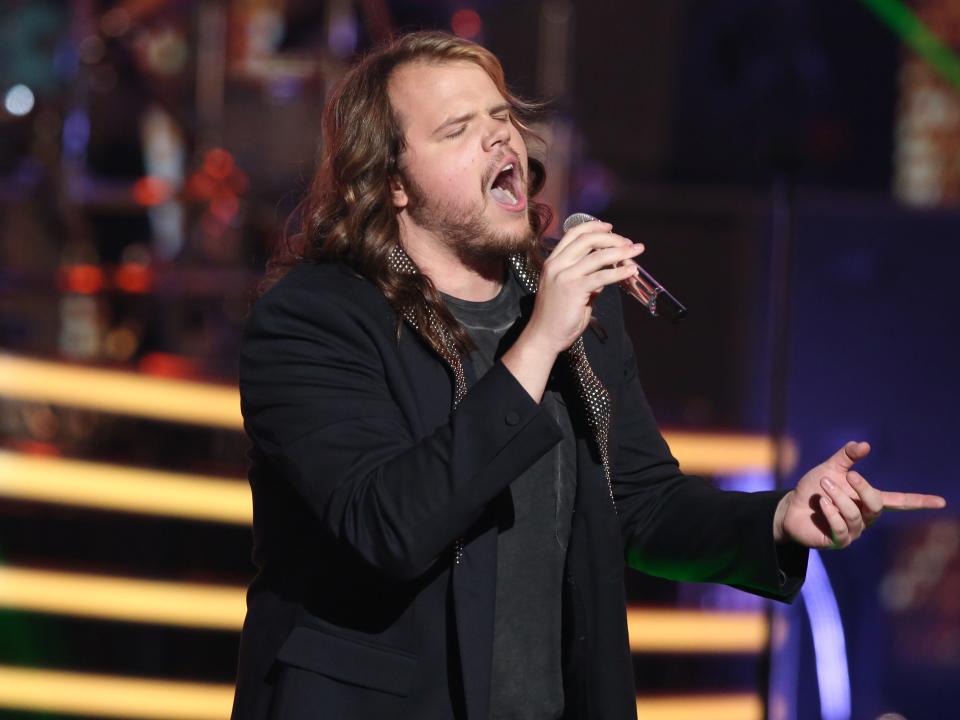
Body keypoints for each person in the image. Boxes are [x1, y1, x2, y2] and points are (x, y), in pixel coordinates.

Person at [230, 31, 945, 720]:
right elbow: (388, 525)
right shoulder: (314, 318)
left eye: (501, 116)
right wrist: (538, 342)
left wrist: (780, 520)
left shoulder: (570, 314)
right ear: (393, 183)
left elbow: (642, 505)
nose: (498, 137)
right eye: (457, 129)